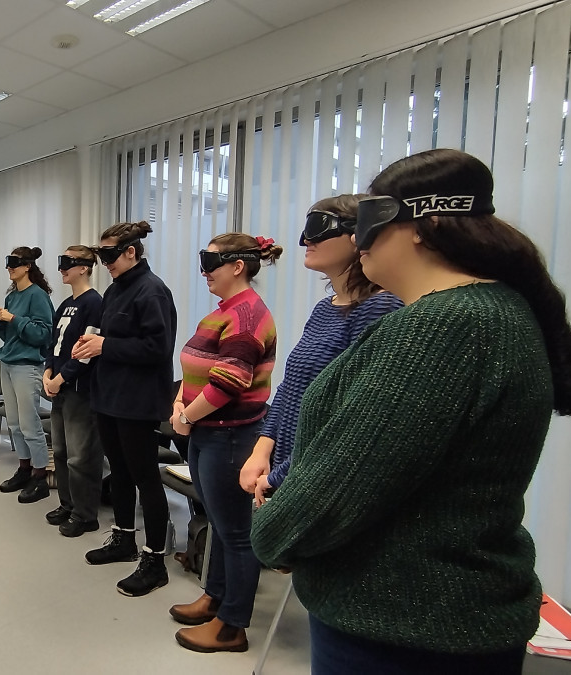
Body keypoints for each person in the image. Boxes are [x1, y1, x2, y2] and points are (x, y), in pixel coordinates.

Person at [251, 148, 571, 675]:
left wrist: (272, 531)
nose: (357, 240)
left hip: (404, 628)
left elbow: (342, 484)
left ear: (423, 224)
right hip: (441, 618)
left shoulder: (445, 327)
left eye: (371, 222)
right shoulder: (492, 311)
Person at [238, 196, 403, 506]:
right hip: (289, 469)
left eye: (318, 227)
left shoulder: (379, 308)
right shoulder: (324, 310)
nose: (305, 240)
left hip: (315, 479)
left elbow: (347, 417)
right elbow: (291, 388)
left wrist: (278, 478)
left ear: (359, 236)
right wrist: (262, 448)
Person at [165, 233, 282, 652]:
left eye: (211, 262)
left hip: (230, 436)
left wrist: (183, 416)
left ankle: (233, 626)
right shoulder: (224, 311)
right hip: (207, 433)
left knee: (236, 533)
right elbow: (197, 368)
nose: (204, 272)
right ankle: (214, 599)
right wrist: (182, 400)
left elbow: (230, 382)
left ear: (237, 266)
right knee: (218, 523)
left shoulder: (248, 315)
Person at [72, 221, 177, 598]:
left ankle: (155, 560)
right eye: (101, 256)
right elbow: (114, 337)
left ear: (132, 252)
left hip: (137, 401)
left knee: (144, 476)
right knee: (118, 473)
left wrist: (106, 347)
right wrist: (93, 340)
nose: (106, 263)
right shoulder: (116, 290)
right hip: (109, 396)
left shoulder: (153, 292)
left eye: (111, 255)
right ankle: (124, 539)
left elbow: (156, 349)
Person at [42, 246, 104, 537]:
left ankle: (85, 514)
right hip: (59, 388)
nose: (61, 269)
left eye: (67, 263)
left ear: (84, 267)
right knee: (63, 451)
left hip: (79, 390)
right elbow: (55, 344)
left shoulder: (94, 303)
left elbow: (87, 351)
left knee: (81, 456)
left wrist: (62, 377)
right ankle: (67, 504)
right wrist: (48, 371)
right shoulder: (65, 303)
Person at [0, 246, 55, 504]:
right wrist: (2, 321)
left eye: (14, 262)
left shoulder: (37, 296)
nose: (9, 267)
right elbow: (8, 335)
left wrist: (14, 319)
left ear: (27, 265)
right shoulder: (12, 297)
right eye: (8, 262)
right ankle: (24, 468)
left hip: (27, 366)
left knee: (30, 426)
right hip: (8, 364)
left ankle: (40, 477)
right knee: (15, 424)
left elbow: (44, 334)